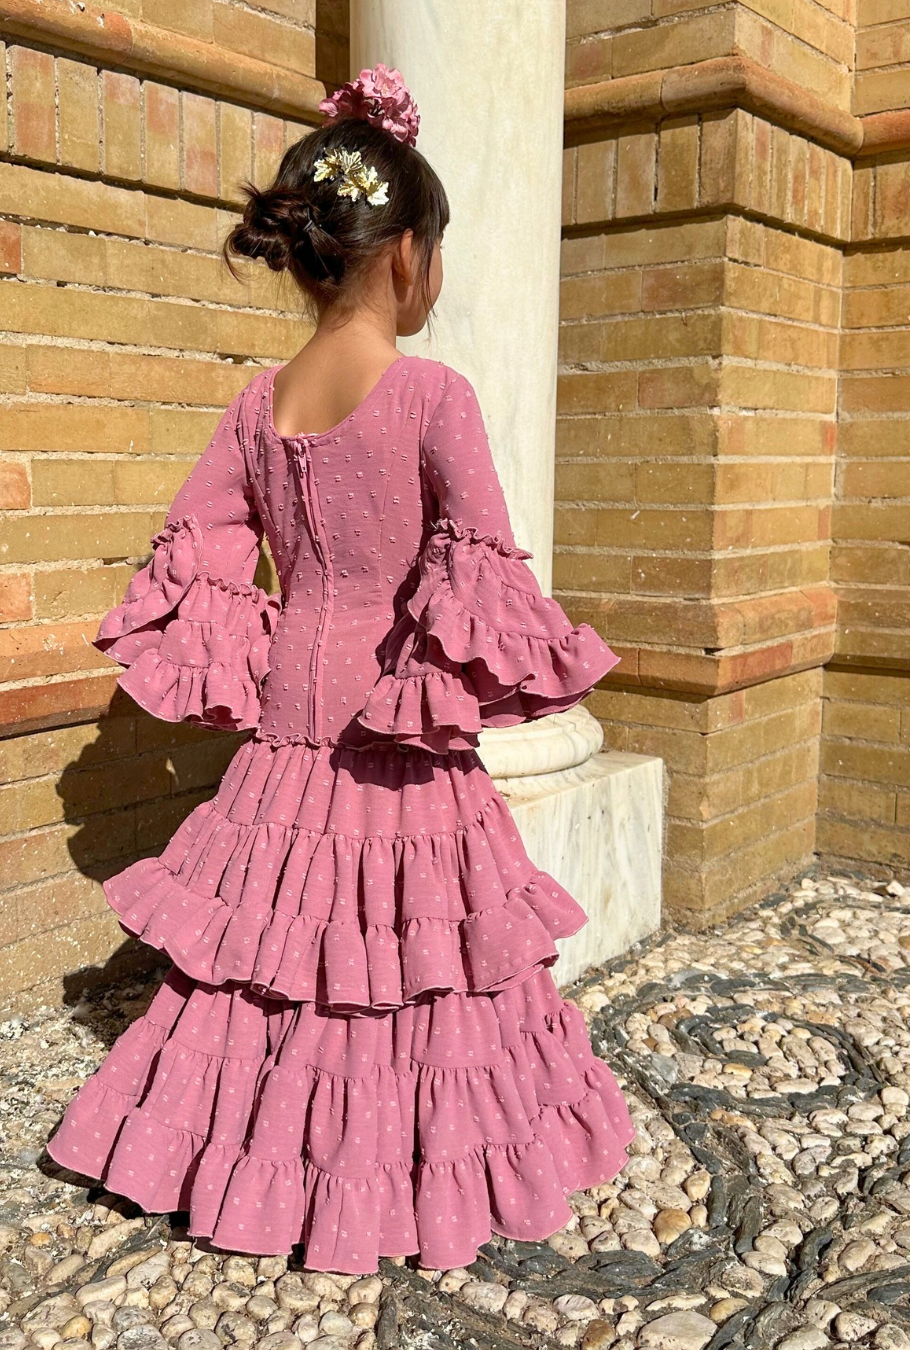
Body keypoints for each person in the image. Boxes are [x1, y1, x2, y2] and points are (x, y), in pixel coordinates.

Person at [46, 65, 634, 1276]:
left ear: (313, 257)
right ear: (407, 252)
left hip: (286, 738)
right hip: (396, 748)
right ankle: (394, 1184)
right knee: (415, 964)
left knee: (269, 959)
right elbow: (475, 576)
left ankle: (225, 1160)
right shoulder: (431, 394)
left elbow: (201, 560)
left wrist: (256, 653)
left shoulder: (256, 407)